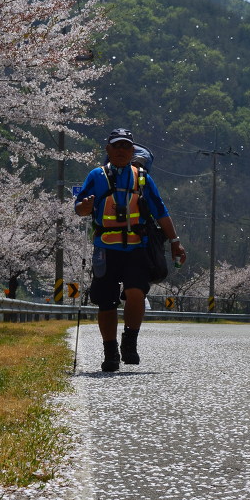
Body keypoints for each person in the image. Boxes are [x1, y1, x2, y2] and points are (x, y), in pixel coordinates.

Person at [74, 128, 186, 371]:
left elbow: (161, 211)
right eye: (117, 146)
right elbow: (80, 209)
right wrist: (86, 206)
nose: (122, 150)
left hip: (137, 246)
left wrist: (175, 241)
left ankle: (130, 342)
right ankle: (110, 351)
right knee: (106, 301)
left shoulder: (143, 178)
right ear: (108, 150)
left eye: (126, 146)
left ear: (133, 150)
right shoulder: (96, 175)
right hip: (105, 248)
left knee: (136, 293)